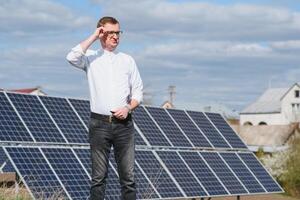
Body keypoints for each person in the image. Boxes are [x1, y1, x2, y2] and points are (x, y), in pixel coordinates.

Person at [66, 16, 143, 200]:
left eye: (118, 32)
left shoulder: (127, 60)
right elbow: (71, 57)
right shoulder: (91, 57)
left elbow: (138, 93)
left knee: (128, 179)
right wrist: (93, 36)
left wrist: (128, 108)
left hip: (124, 126)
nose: (116, 36)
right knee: (98, 178)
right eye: (111, 33)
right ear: (102, 33)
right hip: (99, 125)